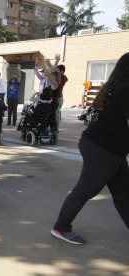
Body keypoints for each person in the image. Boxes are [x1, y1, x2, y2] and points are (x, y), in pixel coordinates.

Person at [51, 52, 129, 245]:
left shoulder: (113, 86)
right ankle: (61, 227)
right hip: (104, 149)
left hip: (104, 146)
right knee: (85, 190)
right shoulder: (127, 89)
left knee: (124, 192)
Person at [56, 63, 68, 131]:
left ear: (62, 71)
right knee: (54, 114)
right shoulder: (59, 76)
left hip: (59, 98)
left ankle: (56, 130)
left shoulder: (63, 77)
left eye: (58, 70)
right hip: (56, 98)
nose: (57, 72)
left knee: (56, 114)